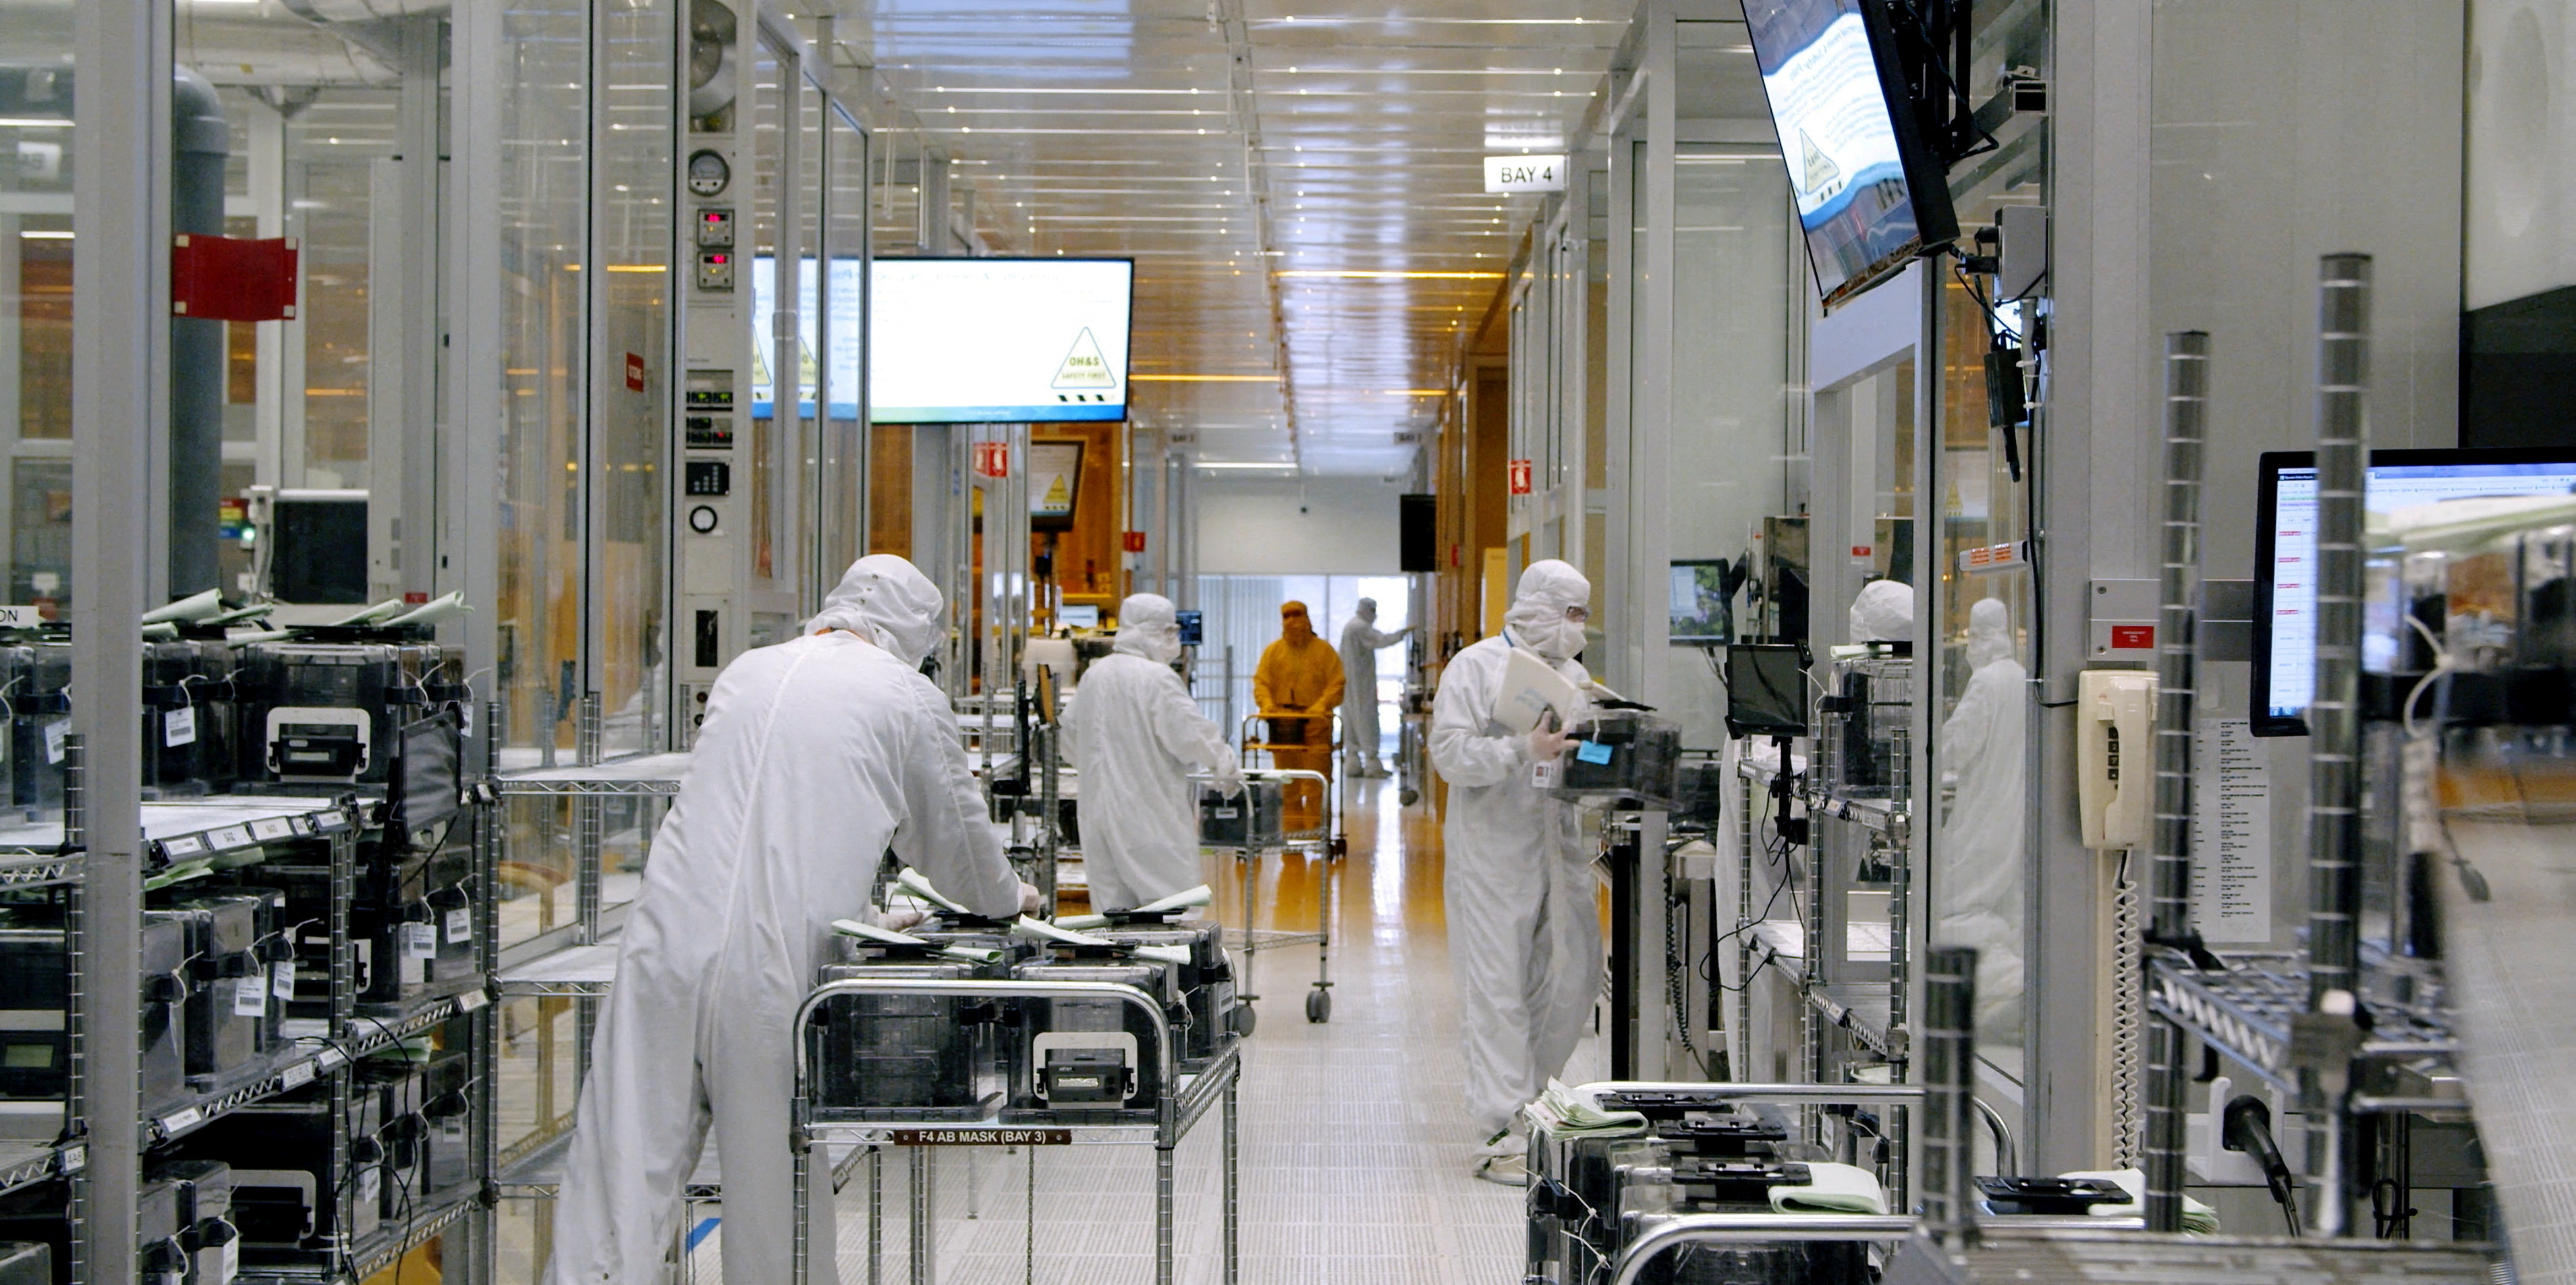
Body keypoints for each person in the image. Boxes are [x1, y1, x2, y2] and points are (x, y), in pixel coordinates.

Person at [545, 554, 1040, 1285]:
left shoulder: (748, 670)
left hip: (663, 942)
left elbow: (762, 821)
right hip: (773, 969)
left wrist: (867, 914)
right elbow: (956, 847)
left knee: (621, 1166)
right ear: (915, 633)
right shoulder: (905, 694)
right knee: (774, 1185)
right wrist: (1009, 898)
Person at [1428, 559, 1602, 1187]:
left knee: (1571, 980)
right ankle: (1501, 1131)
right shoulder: (1474, 667)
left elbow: (1587, 749)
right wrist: (1518, 750)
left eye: (1583, 614)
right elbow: (1448, 754)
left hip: (1558, 848)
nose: (1578, 627)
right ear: (1536, 606)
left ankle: (1534, 1105)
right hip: (1492, 855)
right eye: (1571, 613)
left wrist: (1604, 754)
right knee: (1498, 991)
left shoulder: (1574, 676)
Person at [1063, 593, 1247, 911]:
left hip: (1097, 819)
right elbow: (1192, 734)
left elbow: (1068, 741)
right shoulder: (1156, 678)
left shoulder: (1095, 675)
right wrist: (1226, 769)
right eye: (1168, 632)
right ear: (1146, 631)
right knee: (1173, 912)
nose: (1174, 641)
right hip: (1149, 818)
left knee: (1113, 920)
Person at [1933, 597, 2027, 1043]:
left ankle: (2002, 986)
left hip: (1985, 807)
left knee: (1959, 896)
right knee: (2001, 896)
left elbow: (1958, 744)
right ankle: (2009, 991)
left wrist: (1927, 747)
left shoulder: (1987, 681)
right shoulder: (2021, 677)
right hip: (2013, 807)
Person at [1252, 600, 1343, 831]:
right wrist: (1268, 705)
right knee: (1288, 785)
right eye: (1287, 616)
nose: (1292, 621)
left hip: (1316, 726)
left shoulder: (1324, 651)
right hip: (1283, 726)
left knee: (1315, 784)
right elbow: (1261, 682)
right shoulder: (1273, 652)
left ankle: (1316, 834)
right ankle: (1291, 835)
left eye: (1297, 615)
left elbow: (1336, 684)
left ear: (1307, 617)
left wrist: (1320, 707)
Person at [1337, 597, 1411, 778]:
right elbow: (1381, 640)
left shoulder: (1350, 626)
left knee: (1351, 721)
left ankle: (1353, 763)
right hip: (1361, 683)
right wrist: (1402, 633)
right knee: (1366, 720)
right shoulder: (1360, 627)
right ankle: (1372, 763)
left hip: (1349, 682)